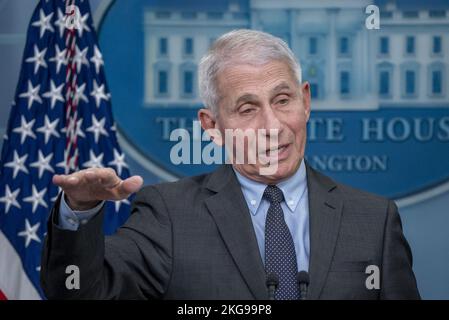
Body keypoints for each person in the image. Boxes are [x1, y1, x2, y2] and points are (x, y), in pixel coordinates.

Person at [41, 29, 420, 299]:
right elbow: (80, 293)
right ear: (211, 126)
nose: (272, 127)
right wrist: (81, 212)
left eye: (283, 100)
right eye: (247, 108)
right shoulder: (168, 215)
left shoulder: (374, 220)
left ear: (306, 101)